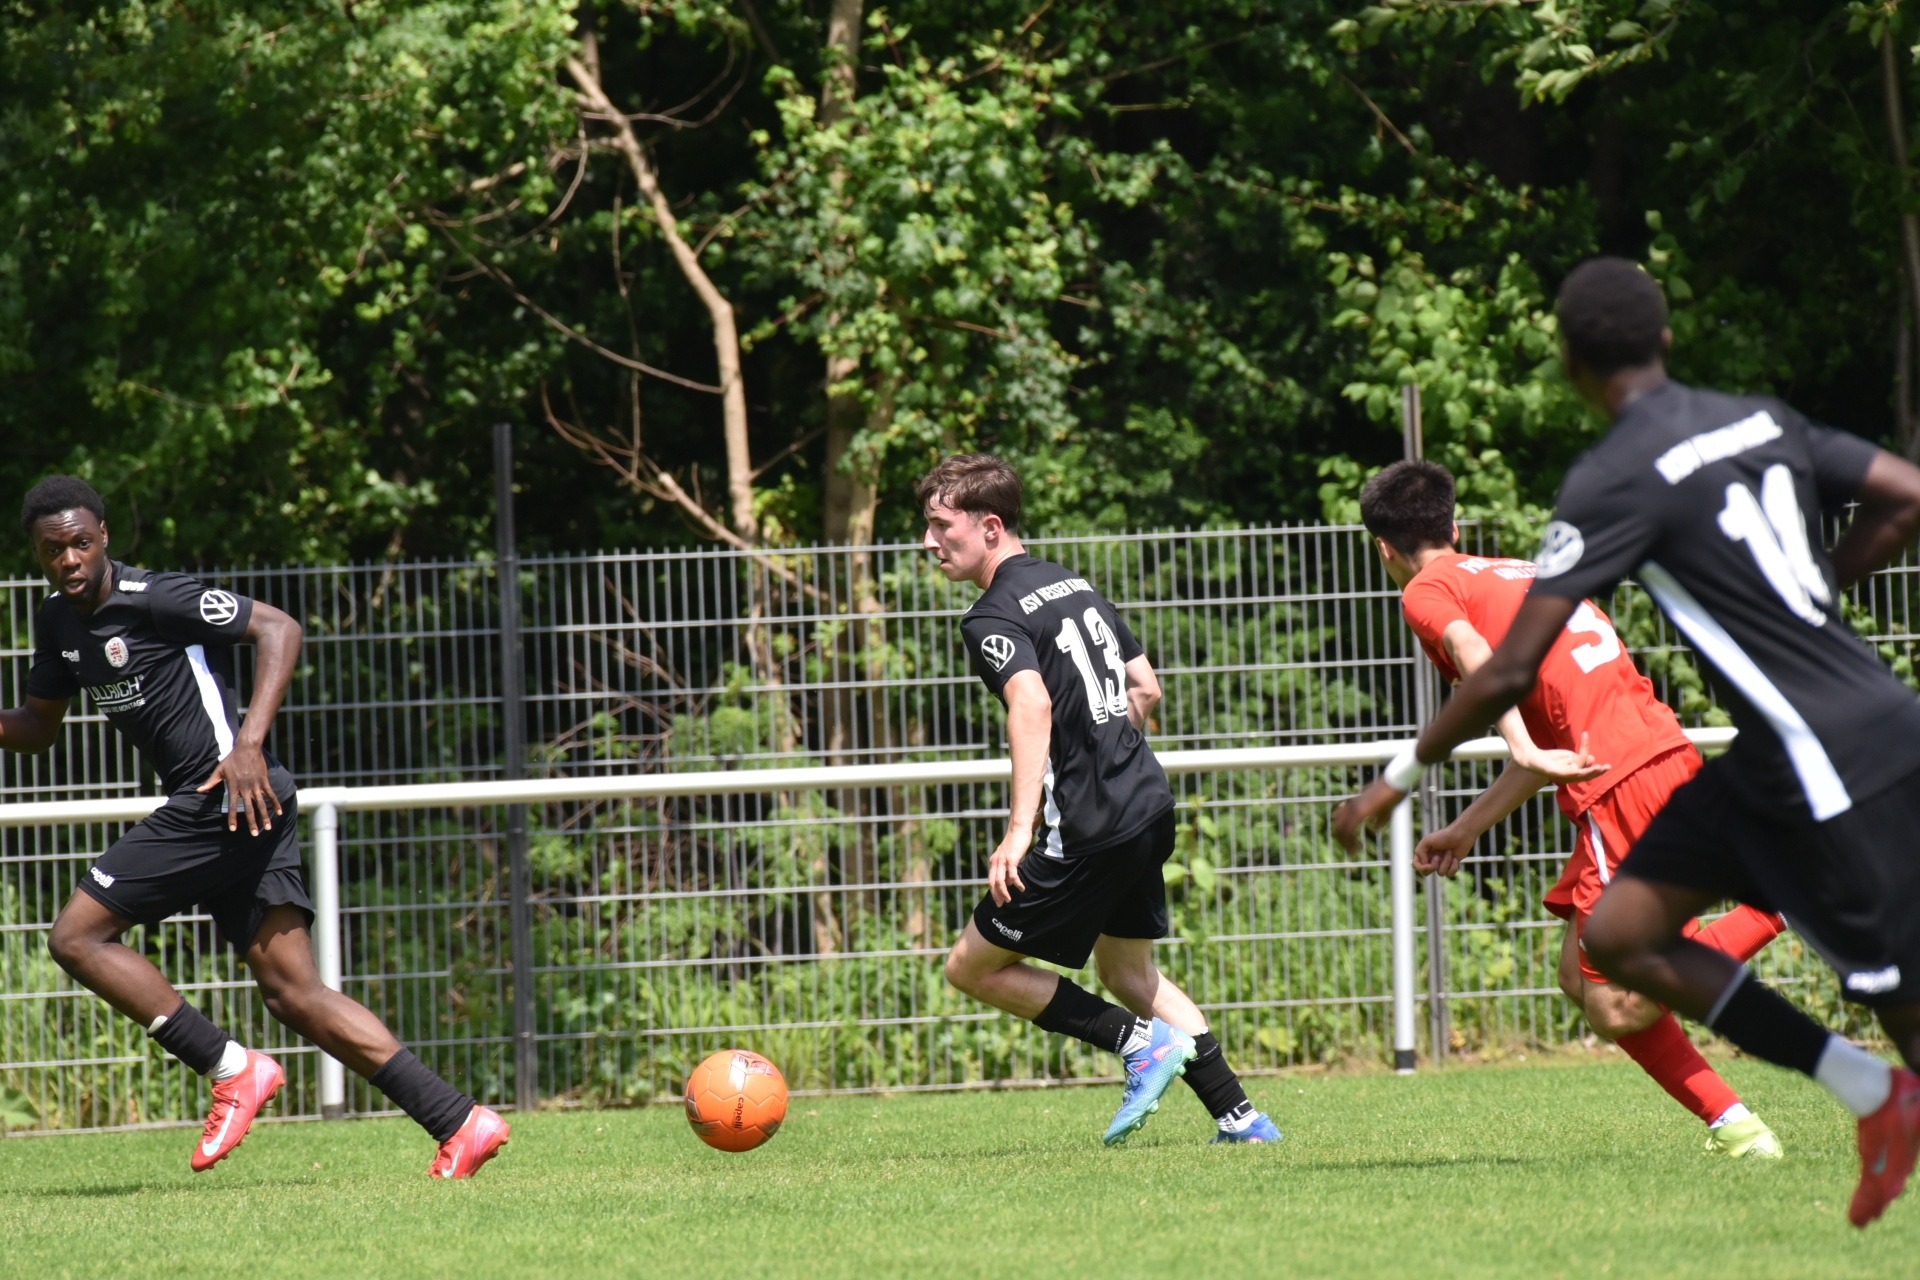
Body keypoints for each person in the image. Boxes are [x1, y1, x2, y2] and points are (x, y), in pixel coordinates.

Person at [1333, 257, 1920, 1227]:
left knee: (1634, 982)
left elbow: (1495, 672)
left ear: (1570, 362)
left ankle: (1810, 995)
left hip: (1792, 754)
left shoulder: (1597, 486)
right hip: (1766, 745)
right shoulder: (1756, 419)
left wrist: (1393, 781)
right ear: (1668, 338)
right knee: (1608, 952)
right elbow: (1906, 495)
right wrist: (1812, 597)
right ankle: (1844, 1094)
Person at [2, 476, 509, 1178]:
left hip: (223, 795)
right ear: (36, 553)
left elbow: (279, 628)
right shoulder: (58, 621)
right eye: (53, 549)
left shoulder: (155, 598)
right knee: (295, 993)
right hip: (238, 809)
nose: (69, 559)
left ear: (104, 536)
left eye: (81, 543)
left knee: (76, 937)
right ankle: (459, 1120)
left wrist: (247, 745)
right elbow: (37, 728)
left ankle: (229, 1066)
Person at [1359, 460, 1788, 1158]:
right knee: (1579, 981)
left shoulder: (1428, 589)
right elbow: (1555, 745)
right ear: (1455, 526)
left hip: (1621, 785)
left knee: (1618, 1001)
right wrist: (1467, 827)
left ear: (1383, 548)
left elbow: (1473, 653)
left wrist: (1519, 743)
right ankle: (1737, 1128)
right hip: (1646, 762)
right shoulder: (1524, 575)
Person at [923, 453, 1279, 1145]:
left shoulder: (990, 615)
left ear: (989, 526)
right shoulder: (1074, 584)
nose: (929, 542)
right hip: (1146, 803)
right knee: (1129, 972)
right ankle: (1241, 1119)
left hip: (1086, 826)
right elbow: (1145, 687)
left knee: (970, 967)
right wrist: (1107, 753)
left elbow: (1031, 704)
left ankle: (1137, 1043)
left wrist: (1019, 830)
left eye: (942, 526)